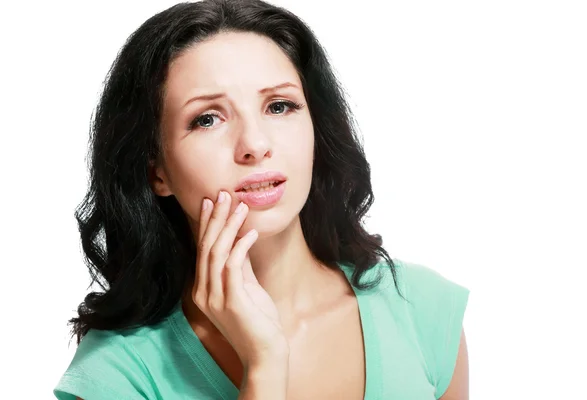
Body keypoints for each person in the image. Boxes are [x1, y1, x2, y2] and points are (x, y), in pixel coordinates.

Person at [54, 0, 470, 399]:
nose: (254, 145)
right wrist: (264, 368)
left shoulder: (421, 307)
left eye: (279, 106)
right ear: (156, 171)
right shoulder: (118, 373)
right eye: (207, 119)